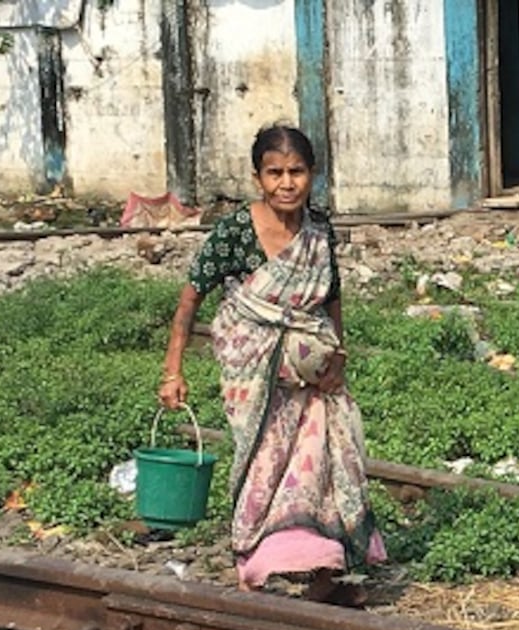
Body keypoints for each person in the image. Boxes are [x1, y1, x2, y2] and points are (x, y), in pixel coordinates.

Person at [157, 124, 387, 605]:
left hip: (313, 378)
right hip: (251, 371)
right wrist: (173, 371)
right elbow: (190, 298)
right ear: (258, 177)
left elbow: (332, 297)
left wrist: (337, 355)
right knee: (263, 462)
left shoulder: (319, 231)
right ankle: (257, 562)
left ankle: (323, 570)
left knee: (318, 465)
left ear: (313, 175)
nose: (287, 183)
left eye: (297, 172)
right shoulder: (236, 232)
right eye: (275, 172)